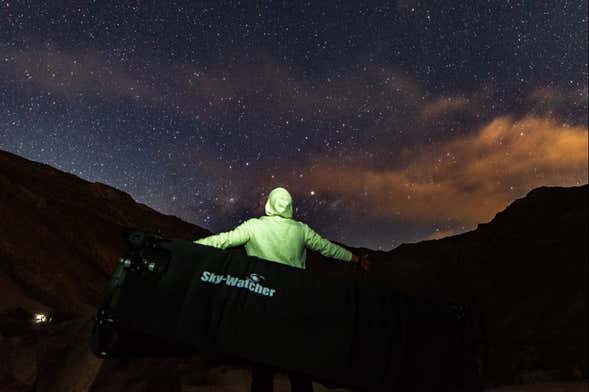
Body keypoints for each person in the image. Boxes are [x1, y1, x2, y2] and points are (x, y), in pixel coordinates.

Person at [193, 186, 369, 392]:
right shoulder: (301, 230)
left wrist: (189, 246)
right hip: (295, 304)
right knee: (298, 369)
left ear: (269, 203)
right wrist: (356, 259)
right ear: (289, 207)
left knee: (261, 370)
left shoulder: (254, 227)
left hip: (261, 303)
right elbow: (328, 249)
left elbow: (222, 240)